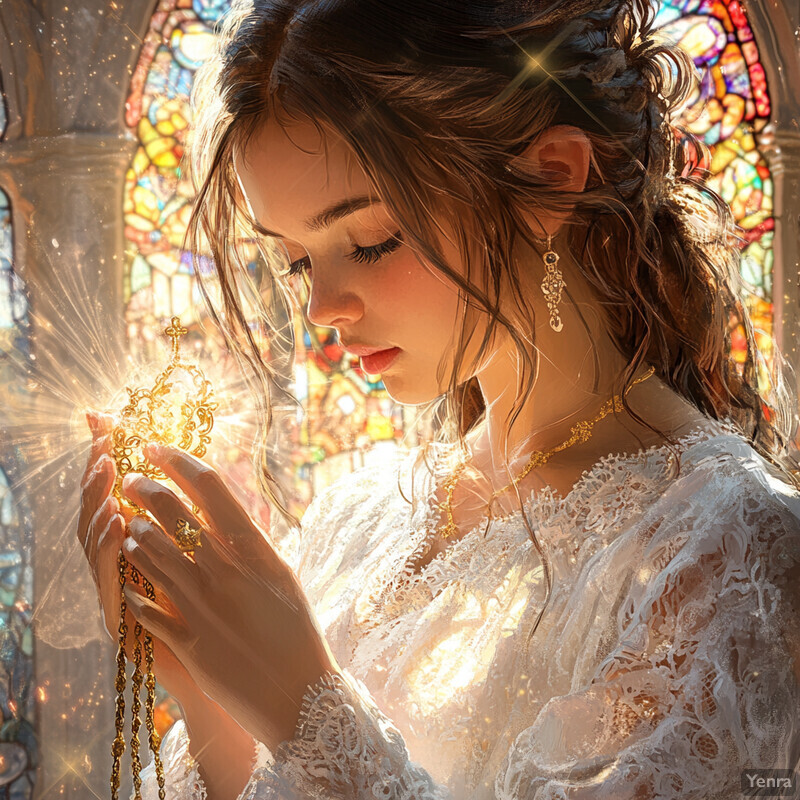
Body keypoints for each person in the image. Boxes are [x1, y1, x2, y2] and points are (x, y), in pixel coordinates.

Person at [78, 0, 800, 796]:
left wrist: (302, 712)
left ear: (551, 180)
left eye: (369, 241)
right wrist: (205, 688)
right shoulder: (355, 522)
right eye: (294, 261)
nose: (321, 307)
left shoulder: (728, 552)